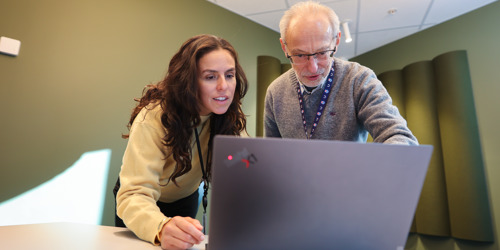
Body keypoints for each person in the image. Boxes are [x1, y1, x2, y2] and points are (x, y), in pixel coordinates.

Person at [114, 34, 248, 250]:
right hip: (139, 202)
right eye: (210, 77)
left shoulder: (228, 116)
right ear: (189, 81)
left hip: (185, 198)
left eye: (229, 75)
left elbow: (242, 164)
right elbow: (133, 194)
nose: (224, 86)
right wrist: (161, 226)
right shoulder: (154, 117)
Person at [264, 1, 417, 145]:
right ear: (285, 48)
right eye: (299, 55)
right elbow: (271, 154)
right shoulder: (275, 92)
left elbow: (398, 136)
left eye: (322, 52)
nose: (313, 68)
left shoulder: (358, 79)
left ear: (336, 41)